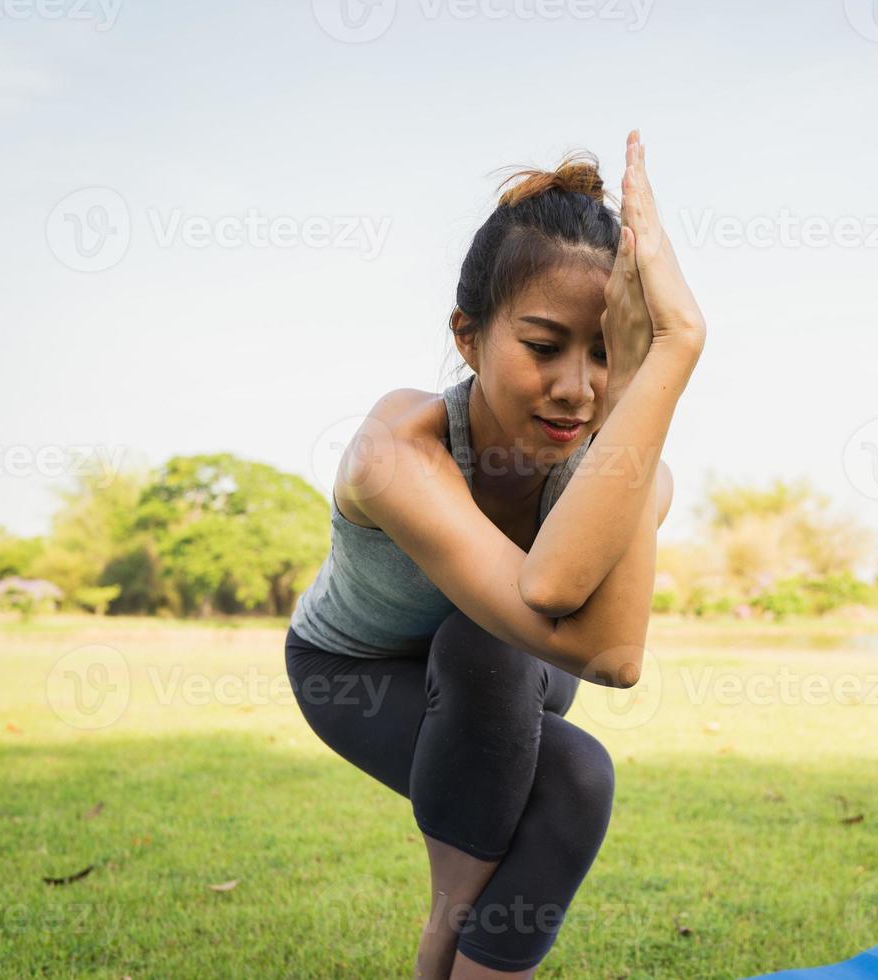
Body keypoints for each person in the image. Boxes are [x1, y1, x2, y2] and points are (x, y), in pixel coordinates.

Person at [283, 128, 706, 979]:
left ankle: (447, 952)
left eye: (607, 353)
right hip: (358, 668)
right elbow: (556, 600)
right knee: (575, 774)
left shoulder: (630, 475)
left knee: (491, 650)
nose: (578, 389)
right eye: (544, 347)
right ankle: (445, 934)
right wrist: (665, 352)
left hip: (513, 664)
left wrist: (669, 351)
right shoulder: (397, 450)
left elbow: (613, 658)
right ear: (468, 338)